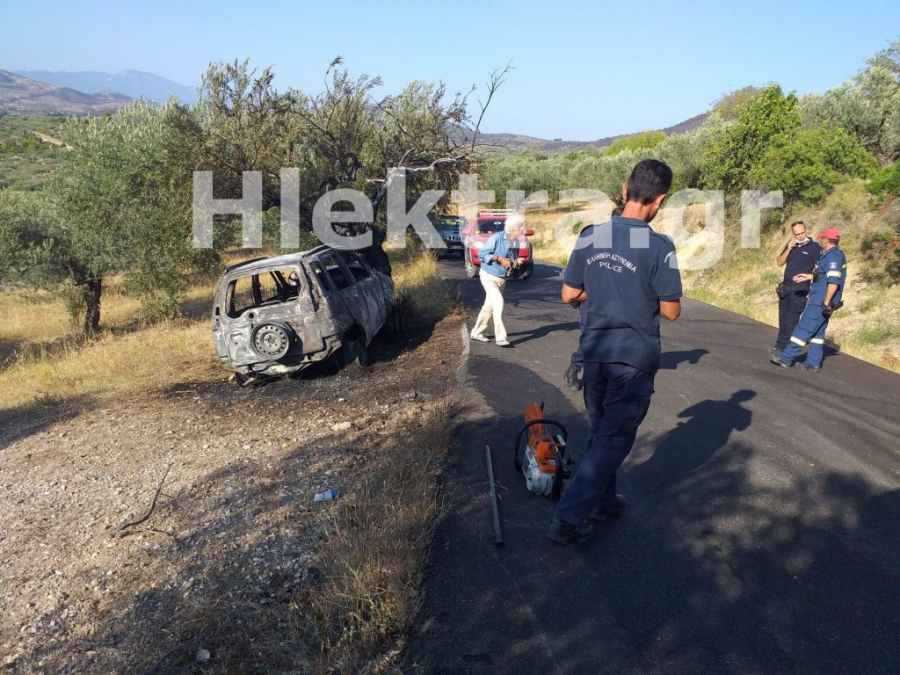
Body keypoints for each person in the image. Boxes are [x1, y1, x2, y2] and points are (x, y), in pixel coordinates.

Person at [548, 160, 683, 545]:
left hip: (593, 352)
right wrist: (637, 296)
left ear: (624, 189)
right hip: (632, 358)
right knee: (614, 439)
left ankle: (601, 501)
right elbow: (671, 311)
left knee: (601, 430)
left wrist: (605, 292)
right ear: (660, 200)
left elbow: (570, 294)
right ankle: (568, 518)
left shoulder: (592, 235)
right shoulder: (657, 246)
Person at [565, 203, 625, 391]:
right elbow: (578, 273)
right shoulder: (593, 239)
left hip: (610, 300)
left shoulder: (626, 244)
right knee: (593, 337)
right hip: (588, 298)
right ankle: (575, 368)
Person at [771, 228, 846, 372]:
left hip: (820, 301)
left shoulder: (833, 257)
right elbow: (825, 276)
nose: (820, 242)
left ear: (826, 240)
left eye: (822, 239)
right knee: (818, 332)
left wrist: (825, 302)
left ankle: (786, 358)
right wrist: (809, 277)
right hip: (822, 298)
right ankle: (813, 363)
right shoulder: (832, 255)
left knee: (803, 329)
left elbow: (833, 282)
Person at [470, 214, 526, 348]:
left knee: (488, 307)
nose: (523, 229)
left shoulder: (516, 241)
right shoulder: (496, 237)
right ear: (513, 228)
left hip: (501, 278)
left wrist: (515, 262)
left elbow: (510, 262)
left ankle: (476, 332)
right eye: (521, 226)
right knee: (498, 303)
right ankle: (501, 337)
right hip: (488, 276)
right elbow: (482, 255)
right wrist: (499, 258)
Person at [772, 221, 821, 360]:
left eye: (802, 233)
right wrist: (788, 249)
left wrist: (811, 278)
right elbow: (779, 262)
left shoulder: (815, 248)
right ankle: (778, 346)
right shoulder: (791, 246)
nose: (800, 236)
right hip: (785, 289)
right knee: (783, 320)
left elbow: (820, 271)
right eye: (797, 234)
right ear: (793, 234)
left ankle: (784, 351)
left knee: (791, 321)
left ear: (807, 230)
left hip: (800, 291)